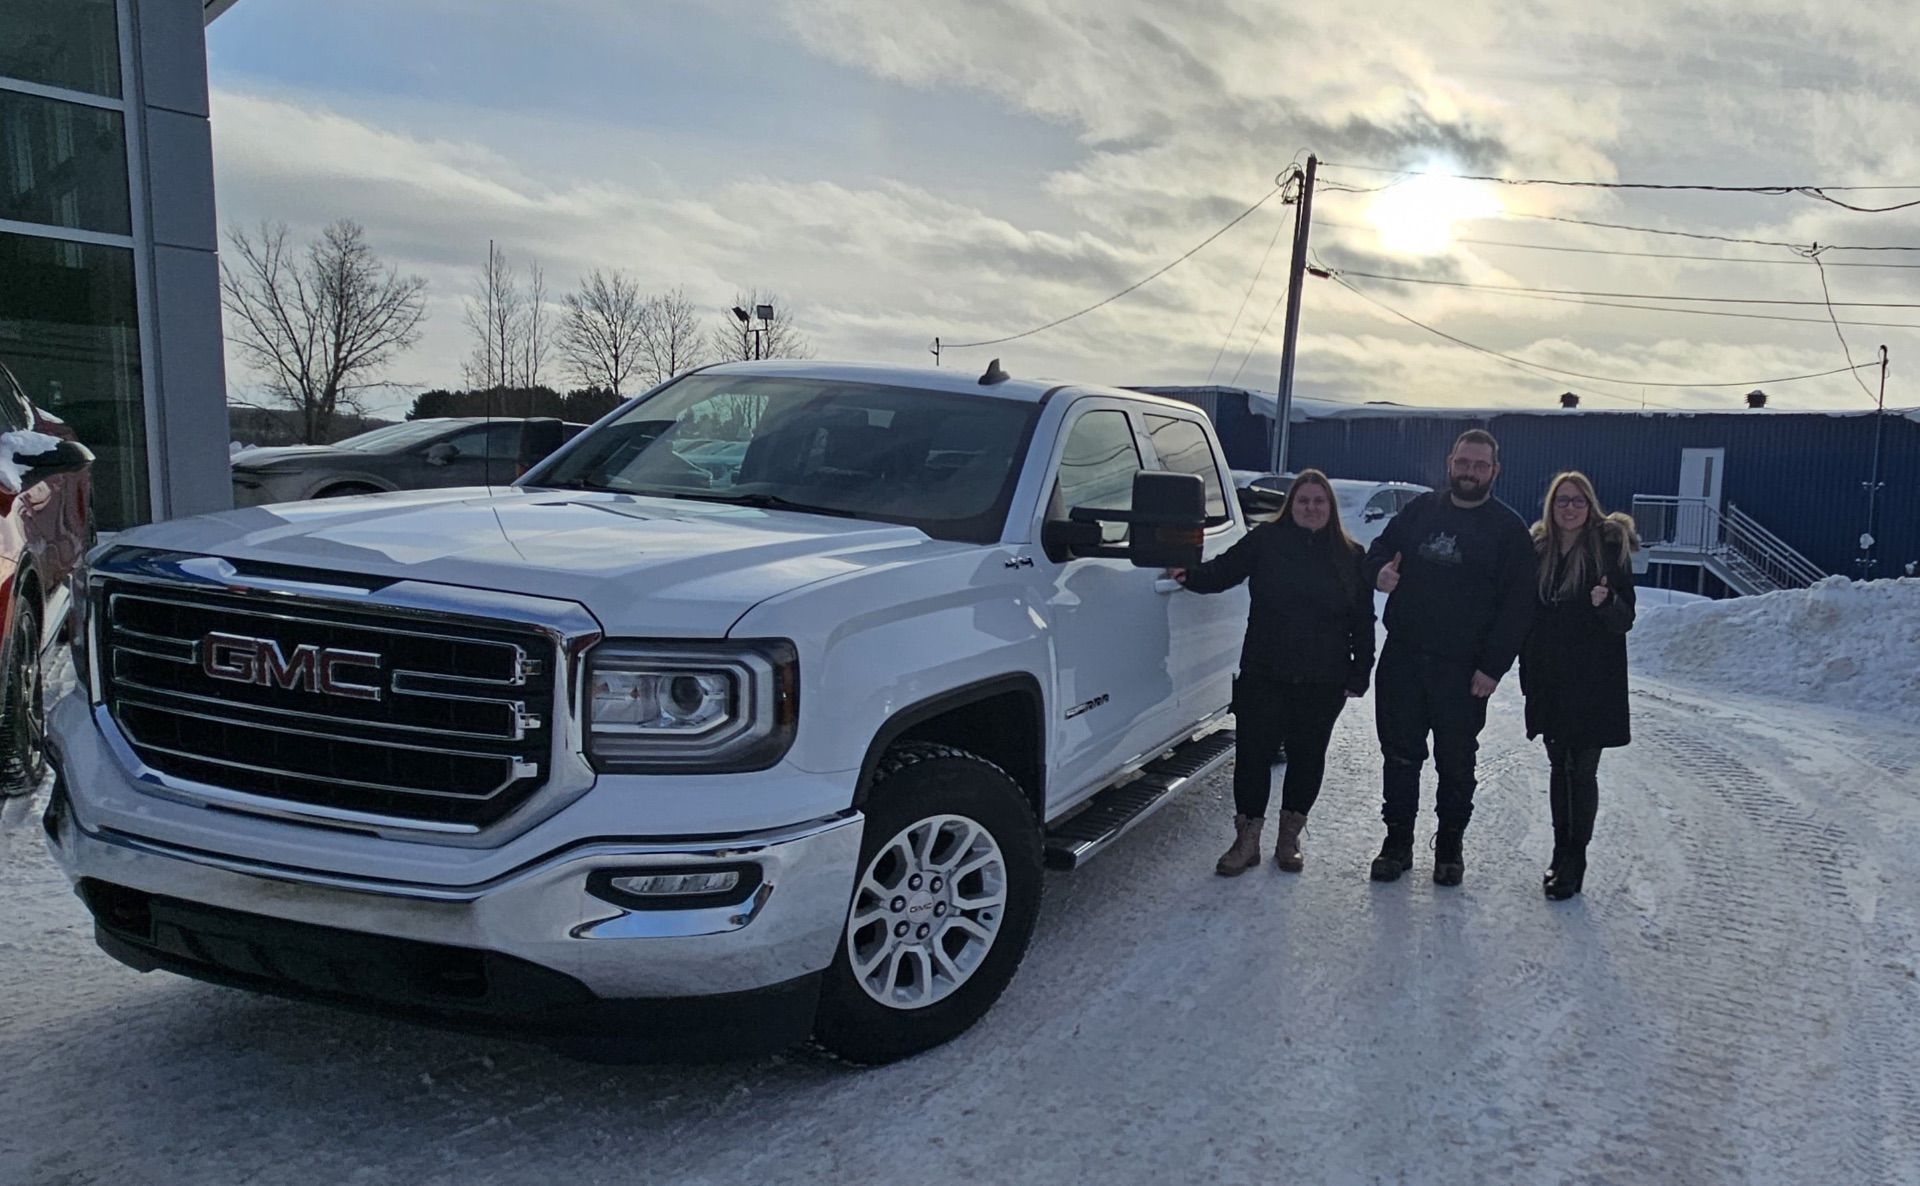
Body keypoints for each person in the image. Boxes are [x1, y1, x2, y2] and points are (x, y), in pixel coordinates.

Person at [1172, 469, 1375, 876]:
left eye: (1319, 501)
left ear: (1330, 508)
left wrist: (1360, 671)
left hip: (1323, 678)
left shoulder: (1351, 556)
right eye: (1303, 500)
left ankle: (1288, 839)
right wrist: (1186, 574)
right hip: (1265, 671)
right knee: (1252, 757)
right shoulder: (1266, 542)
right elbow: (1223, 571)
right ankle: (1246, 842)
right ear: (1291, 505)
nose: (1311, 508)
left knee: (1307, 758)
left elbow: (1363, 619)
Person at [1363, 429, 1535, 886]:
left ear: (1495, 471)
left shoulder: (1508, 530)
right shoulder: (1421, 512)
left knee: (1456, 762)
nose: (1470, 472)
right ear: (1449, 463)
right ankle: (1396, 844)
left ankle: (1450, 848)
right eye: (1464, 463)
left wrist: (1492, 667)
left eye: (1481, 465)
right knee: (1399, 756)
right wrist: (1378, 571)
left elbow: (1518, 606)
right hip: (1404, 658)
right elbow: (1380, 549)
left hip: (1463, 671)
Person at [1519, 472, 1638, 901]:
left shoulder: (1609, 550)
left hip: (1593, 681)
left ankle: (1576, 861)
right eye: (1562, 501)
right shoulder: (1538, 550)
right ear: (1551, 506)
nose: (1569, 508)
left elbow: (1626, 618)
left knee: (1581, 772)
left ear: (1591, 506)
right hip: (1549, 678)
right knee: (1557, 767)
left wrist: (1607, 604)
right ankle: (1559, 851)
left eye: (1578, 501)